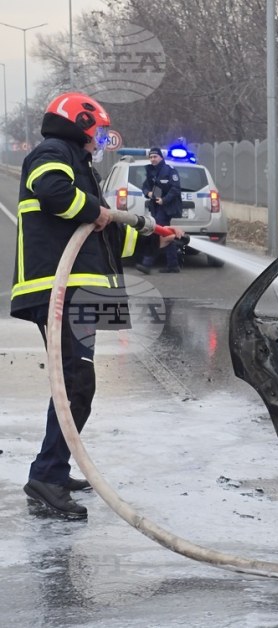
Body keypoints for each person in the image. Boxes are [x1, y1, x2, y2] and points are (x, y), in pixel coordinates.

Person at [10, 92, 181, 519]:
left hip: (77, 291)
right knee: (77, 384)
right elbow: (53, 194)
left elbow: (99, 235)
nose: (100, 138)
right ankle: (46, 477)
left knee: (74, 385)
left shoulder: (79, 164)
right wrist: (95, 210)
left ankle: (53, 469)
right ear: (80, 122)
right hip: (58, 290)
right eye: (98, 130)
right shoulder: (53, 152)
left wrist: (150, 240)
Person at [136, 147, 183, 274]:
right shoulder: (151, 171)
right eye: (151, 157)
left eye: (155, 157)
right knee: (165, 233)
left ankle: (147, 263)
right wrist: (148, 193)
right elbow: (145, 187)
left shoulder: (169, 171)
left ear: (161, 157)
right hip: (155, 207)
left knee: (156, 233)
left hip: (166, 208)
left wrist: (164, 200)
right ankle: (173, 265)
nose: (152, 159)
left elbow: (175, 189)